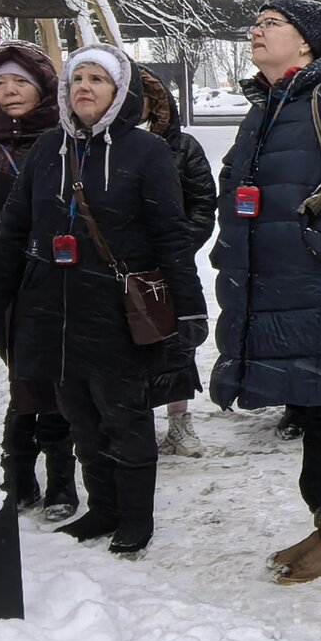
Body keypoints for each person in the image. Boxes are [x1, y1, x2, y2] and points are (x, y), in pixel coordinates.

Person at [0, 43, 209, 559]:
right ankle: (103, 508)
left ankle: (135, 518)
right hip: (53, 307)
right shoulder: (48, 148)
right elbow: (14, 226)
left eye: (97, 79)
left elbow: (171, 236)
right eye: (77, 78)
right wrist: (4, 297)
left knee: (124, 418)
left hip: (116, 309)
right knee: (80, 419)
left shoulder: (146, 152)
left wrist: (190, 306)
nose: (84, 87)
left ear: (120, 91)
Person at [207, 0, 321, 584]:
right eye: (256, 22)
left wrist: (316, 242)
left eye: (272, 24)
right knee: (311, 407)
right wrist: (231, 247)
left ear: (307, 43)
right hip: (277, 286)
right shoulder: (267, 105)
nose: (256, 31)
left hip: (320, 287)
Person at [0, 42, 76, 520]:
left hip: (55, 274)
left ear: (42, 89)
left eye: (20, 81)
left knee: (53, 373)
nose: (10, 91)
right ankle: (18, 474)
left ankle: (60, 478)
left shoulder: (65, 140)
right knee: (20, 374)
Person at [135, 66, 218, 457]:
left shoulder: (183, 147)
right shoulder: (97, 147)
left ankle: (179, 422)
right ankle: (135, 424)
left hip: (170, 267)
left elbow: (202, 203)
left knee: (177, 345)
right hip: (117, 267)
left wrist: (178, 247)